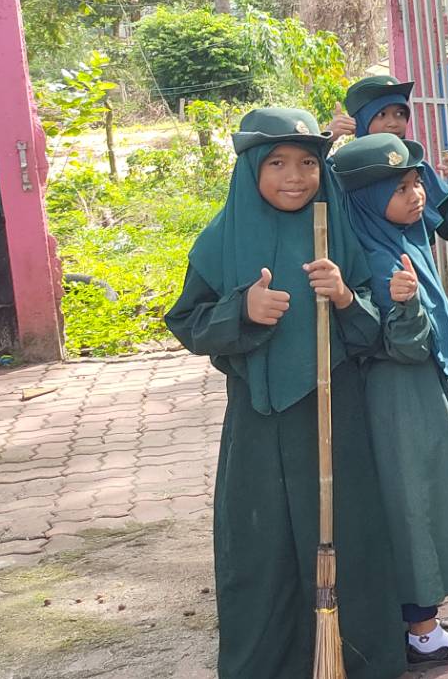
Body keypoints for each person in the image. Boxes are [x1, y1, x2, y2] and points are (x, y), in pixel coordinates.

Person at [163, 107, 406, 679]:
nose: (294, 177)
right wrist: (241, 311)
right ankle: (269, 663)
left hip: (336, 413)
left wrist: (344, 297)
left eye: (307, 163)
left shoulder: (336, 228)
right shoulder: (222, 239)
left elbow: (372, 332)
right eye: (276, 163)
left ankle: (358, 658)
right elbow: (188, 322)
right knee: (262, 542)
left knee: (350, 534)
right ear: (251, 168)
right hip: (261, 420)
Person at [331, 134, 448, 666]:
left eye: (416, 183)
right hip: (400, 394)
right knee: (419, 500)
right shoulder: (377, 260)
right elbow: (404, 346)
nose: (417, 195)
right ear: (366, 199)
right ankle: (424, 635)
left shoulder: (398, 238)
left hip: (418, 386)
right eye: (399, 189)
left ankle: (417, 619)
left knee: (426, 495)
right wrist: (404, 305)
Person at [331, 74, 448, 466]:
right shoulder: (339, 176)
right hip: (385, 307)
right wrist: (326, 140)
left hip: (421, 291)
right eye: (381, 115)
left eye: (400, 114)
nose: (394, 123)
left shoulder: (416, 168)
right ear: (360, 121)